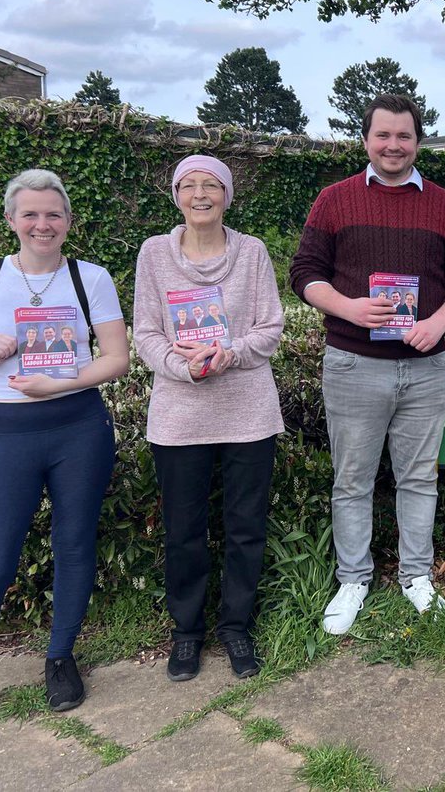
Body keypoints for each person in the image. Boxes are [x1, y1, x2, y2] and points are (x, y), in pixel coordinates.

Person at [0, 169, 129, 749]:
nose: (43, 224)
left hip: (79, 428)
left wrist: (60, 386)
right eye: (31, 214)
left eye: (54, 214)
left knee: (74, 544)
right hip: (8, 432)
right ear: (12, 220)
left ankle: (60, 657)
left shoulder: (91, 279)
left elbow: (116, 359)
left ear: (68, 222)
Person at [290, 93, 445, 635]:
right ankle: (353, 580)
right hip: (354, 364)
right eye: (383, 135)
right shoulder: (334, 200)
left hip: (425, 369)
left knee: (419, 478)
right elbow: (304, 271)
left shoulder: (444, 205)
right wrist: (348, 307)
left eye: (404, 135)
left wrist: (441, 319)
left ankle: (416, 577)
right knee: (352, 481)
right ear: (366, 139)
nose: (393, 145)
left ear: (418, 141)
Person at [134, 155, 285, 683]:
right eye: (189, 185)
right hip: (179, 414)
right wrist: (185, 367)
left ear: (227, 195)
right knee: (183, 530)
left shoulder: (253, 252)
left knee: (246, 528)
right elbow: (146, 334)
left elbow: (271, 328)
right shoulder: (154, 254)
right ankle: (187, 633)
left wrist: (230, 352)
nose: (200, 194)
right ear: (176, 196)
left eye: (211, 185)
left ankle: (236, 626)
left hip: (248, 410)